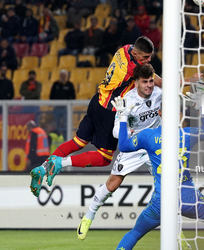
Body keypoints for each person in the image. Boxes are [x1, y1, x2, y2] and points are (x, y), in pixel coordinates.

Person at [77, 63, 191, 250]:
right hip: (135, 144)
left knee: (168, 189)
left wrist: (189, 82)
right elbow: (115, 131)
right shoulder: (126, 101)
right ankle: (89, 214)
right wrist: (125, 127)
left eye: (150, 81)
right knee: (113, 184)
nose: (149, 85)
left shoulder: (159, 93)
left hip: (155, 143)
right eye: (144, 82)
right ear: (136, 82)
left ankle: (179, 234)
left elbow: (174, 88)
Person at [29, 36, 161, 197]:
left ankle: (42, 169)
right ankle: (59, 163)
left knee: (78, 142)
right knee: (105, 157)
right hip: (109, 110)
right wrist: (188, 81)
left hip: (97, 100)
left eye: (150, 57)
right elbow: (159, 82)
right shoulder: (134, 68)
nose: (149, 60)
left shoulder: (125, 49)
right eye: (146, 57)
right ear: (137, 52)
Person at [111, 89, 204, 250]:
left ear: (160, 113)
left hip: (160, 201)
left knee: (135, 233)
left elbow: (124, 146)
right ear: (179, 114)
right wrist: (202, 106)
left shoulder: (148, 136)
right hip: (188, 198)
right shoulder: (186, 134)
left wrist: (123, 117)